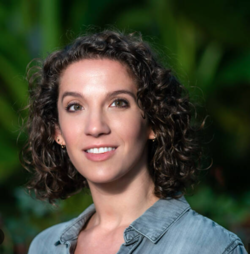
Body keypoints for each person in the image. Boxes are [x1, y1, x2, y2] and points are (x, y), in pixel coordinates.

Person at [22, 30, 247, 254]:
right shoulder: (45, 246)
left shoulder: (211, 247)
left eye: (118, 103)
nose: (95, 127)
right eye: (75, 107)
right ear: (57, 131)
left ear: (153, 122)